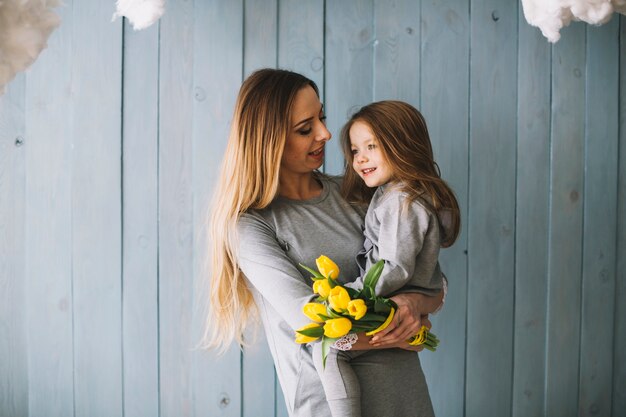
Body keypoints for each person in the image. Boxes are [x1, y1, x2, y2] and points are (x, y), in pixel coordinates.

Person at [203, 68, 444, 417]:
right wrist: (395, 330)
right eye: (306, 128)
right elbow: (309, 323)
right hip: (331, 404)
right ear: (268, 140)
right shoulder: (249, 226)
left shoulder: (358, 194)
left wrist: (412, 304)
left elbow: (432, 281)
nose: (327, 134)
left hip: (405, 393)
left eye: (322, 117)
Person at [311, 100, 461, 416]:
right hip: (404, 301)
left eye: (371, 147)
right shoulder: (393, 193)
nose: (360, 158)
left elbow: (393, 266)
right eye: (354, 150)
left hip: (388, 298)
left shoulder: (401, 201)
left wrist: (352, 293)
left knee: (332, 352)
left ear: (403, 146)